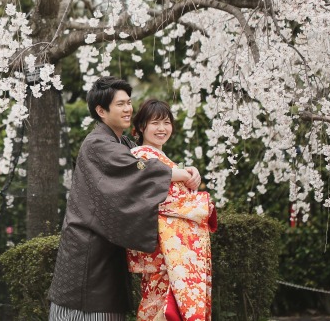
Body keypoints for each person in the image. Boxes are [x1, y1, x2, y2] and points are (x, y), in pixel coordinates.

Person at [48, 77, 201, 321]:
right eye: (120, 104)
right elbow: (136, 169)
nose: (128, 109)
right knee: (87, 311)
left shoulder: (123, 142)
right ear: (101, 111)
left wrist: (185, 171)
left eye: (129, 102)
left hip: (106, 245)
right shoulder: (97, 143)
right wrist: (180, 174)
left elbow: (147, 159)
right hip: (88, 249)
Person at [126, 99, 217, 321]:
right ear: (141, 127)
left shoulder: (162, 159)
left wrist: (188, 174)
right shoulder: (139, 155)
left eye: (166, 123)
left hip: (172, 249)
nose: (162, 128)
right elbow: (162, 198)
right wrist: (194, 192)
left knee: (162, 303)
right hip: (164, 248)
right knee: (162, 305)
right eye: (155, 123)